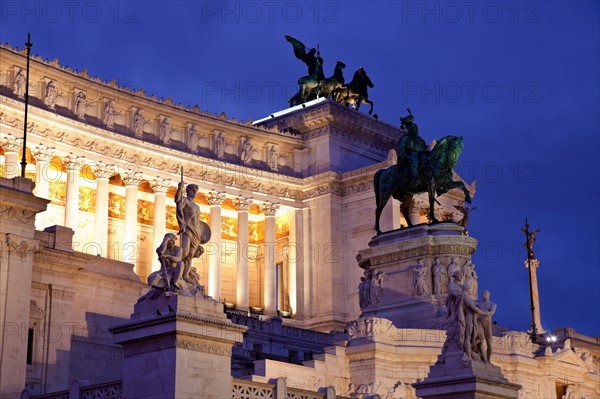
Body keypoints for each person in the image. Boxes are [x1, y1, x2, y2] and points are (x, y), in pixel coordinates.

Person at [175, 179, 209, 283]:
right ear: (187, 190)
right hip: (188, 229)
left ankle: (185, 275)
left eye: (196, 190)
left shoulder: (197, 206)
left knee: (190, 254)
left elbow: (198, 221)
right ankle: (174, 267)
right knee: (184, 251)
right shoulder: (185, 200)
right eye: (192, 189)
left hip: (197, 232)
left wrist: (202, 235)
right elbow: (177, 200)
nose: (194, 192)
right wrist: (180, 188)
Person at [397, 109, 427, 183]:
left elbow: (424, 149)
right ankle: (414, 178)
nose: (415, 130)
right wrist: (405, 156)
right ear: (410, 129)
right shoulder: (406, 138)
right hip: (410, 155)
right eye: (414, 128)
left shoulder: (420, 140)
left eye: (416, 128)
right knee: (414, 160)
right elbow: (401, 148)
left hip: (420, 155)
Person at [477, 290, 497, 362]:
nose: (483, 294)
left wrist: (486, 313)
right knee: (481, 341)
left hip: (487, 324)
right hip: (480, 324)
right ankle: (484, 359)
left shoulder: (493, 304)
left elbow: (492, 312)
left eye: (485, 293)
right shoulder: (479, 304)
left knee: (489, 343)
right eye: (482, 293)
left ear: (489, 295)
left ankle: (488, 360)